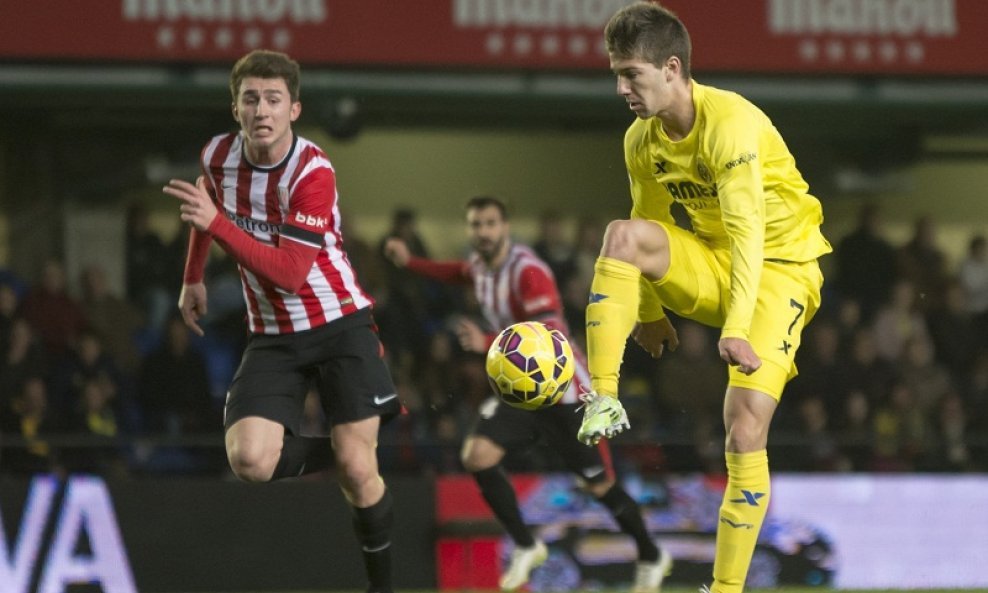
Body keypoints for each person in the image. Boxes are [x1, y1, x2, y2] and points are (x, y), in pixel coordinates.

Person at [576, 4, 832, 593]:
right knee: (621, 233)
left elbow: (751, 237)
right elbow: (648, 223)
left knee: (743, 427)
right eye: (616, 74)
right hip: (717, 263)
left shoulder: (731, 125)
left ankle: (726, 588)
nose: (621, 88)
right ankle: (605, 397)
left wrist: (735, 327)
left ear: (672, 68)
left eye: (631, 74)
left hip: (781, 271)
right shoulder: (641, 139)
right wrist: (649, 312)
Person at [162, 49, 401, 593]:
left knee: (360, 475)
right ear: (235, 107)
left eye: (273, 100)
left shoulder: (313, 171)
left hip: (340, 323)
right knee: (249, 460)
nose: (261, 111)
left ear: (294, 109)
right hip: (272, 334)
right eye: (251, 99)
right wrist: (192, 276)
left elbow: (290, 273)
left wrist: (217, 225)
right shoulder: (217, 156)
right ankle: (351, 445)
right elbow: (206, 206)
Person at [383, 196, 671, 593]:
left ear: (505, 227)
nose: (482, 232)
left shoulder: (529, 272)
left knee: (600, 485)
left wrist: (485, 339)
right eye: (476, 225)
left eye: (489, 224)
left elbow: (549, 328)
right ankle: (525, 543)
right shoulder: (481, 268)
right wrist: (411, 262)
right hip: (521, 392)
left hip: (561, 390)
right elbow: (455, 272)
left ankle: (651, 554)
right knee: (477, 456)